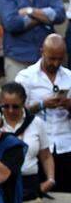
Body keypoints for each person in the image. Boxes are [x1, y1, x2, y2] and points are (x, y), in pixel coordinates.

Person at [14, 35, 71, 191]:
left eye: (60, 59)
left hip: (65, 144)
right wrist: (41, 105)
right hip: (38, 146)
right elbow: (15, 113)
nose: (56, 63)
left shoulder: (69, 77)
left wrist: (69, 106)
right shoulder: (26, 77)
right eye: (52, 58)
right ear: (42, 52)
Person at [0, 81, 54, 199]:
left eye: (15, 106)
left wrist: (50, 180)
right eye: (5, 106)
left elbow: (46, 155)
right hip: (1, 182)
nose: (10, 111)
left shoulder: (36, 122)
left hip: (30, 182)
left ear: (24, 103)